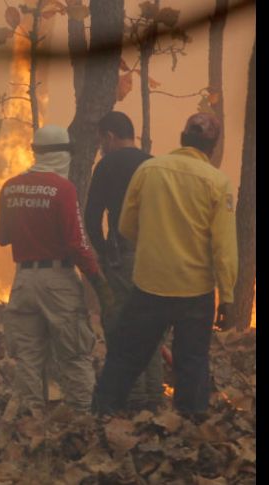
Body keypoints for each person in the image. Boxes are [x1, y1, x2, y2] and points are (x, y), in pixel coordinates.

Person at [91, 113, 238, 418]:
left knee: (127, 353)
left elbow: (127, 226)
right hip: (195, 291)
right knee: (192, 360)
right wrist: (226, 296)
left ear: (183, 138)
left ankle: (103, 413)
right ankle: (190, 424)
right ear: (212, 146)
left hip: (150, 284)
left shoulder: (150, 170)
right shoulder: (217, 182)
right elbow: (223, 246)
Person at [0, 124, 113, 415]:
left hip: (23, 281)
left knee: (29, 356)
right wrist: (98, 280)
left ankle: (31, 421)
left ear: (35, 151)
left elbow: (1, 236)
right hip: (57, 281)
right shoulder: (63, 190)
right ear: (64, 154)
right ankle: (82, 418)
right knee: (74, 352)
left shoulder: (10, 186)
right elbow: (76, 243)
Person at [84, 111, 163, 411]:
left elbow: (92, 217)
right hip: (157, 256)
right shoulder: (155, 164)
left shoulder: (107, 165)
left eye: (101, 141)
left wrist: (104, 251)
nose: (101, 147)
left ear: (110, 136)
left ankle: (135, 397)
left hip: (124, 256)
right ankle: (155, 395)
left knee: (124, 324)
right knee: (153, 322)